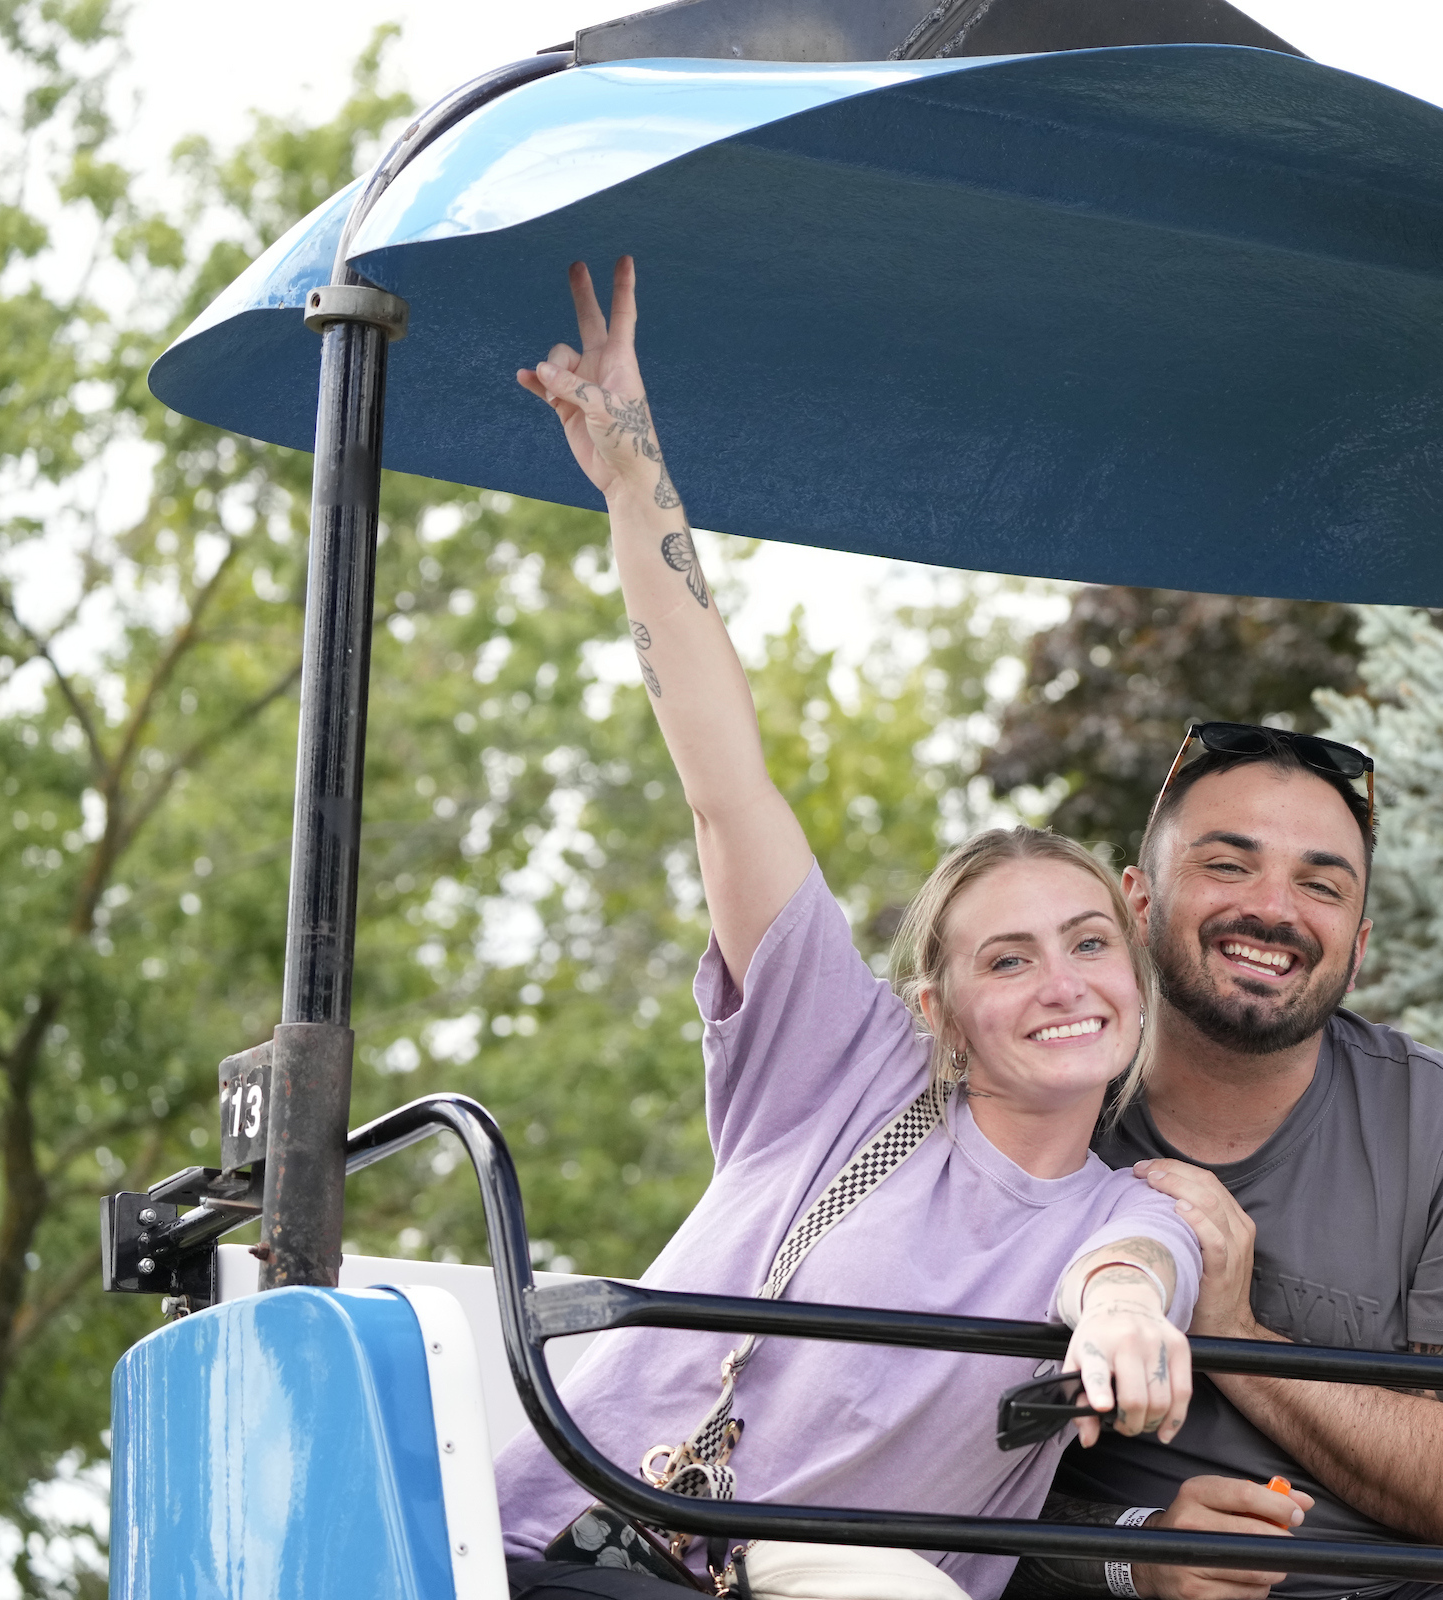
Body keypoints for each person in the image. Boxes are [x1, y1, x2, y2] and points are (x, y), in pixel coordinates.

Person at [493, 257, 1201, 1600]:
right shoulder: (841, 1062)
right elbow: (722, 780)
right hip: (588, 1555)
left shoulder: (1123, 1213)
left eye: (1089, 940)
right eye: (1008, 956)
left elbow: (1133, 1270)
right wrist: (637, 478)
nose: (1064, 981)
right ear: (933, 1008)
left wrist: (1118, 1313)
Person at [1006, 724, 1443, 1600]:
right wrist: (1136, 1552)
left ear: (1356, 946)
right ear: (1136, 901)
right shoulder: (1029, 1102)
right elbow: (906, 1457)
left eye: (1320, 885)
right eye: (1228, 865)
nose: (1275, 910)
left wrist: (1236, 1337)